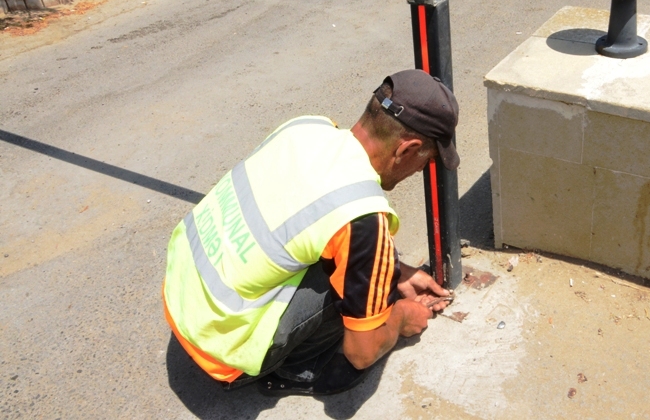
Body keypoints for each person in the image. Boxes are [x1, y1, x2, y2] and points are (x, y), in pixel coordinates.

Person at [162, 69, 460, 396]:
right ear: (406, 150)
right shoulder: (363, 216)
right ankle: (296, 369)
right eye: (427, 159)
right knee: (361, 289)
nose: (422, 169)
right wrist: (401, 317)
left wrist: (395, 271)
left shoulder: (306, 128)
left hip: (182, 297)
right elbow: (362, 354)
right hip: (221, 348)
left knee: (357, 259)